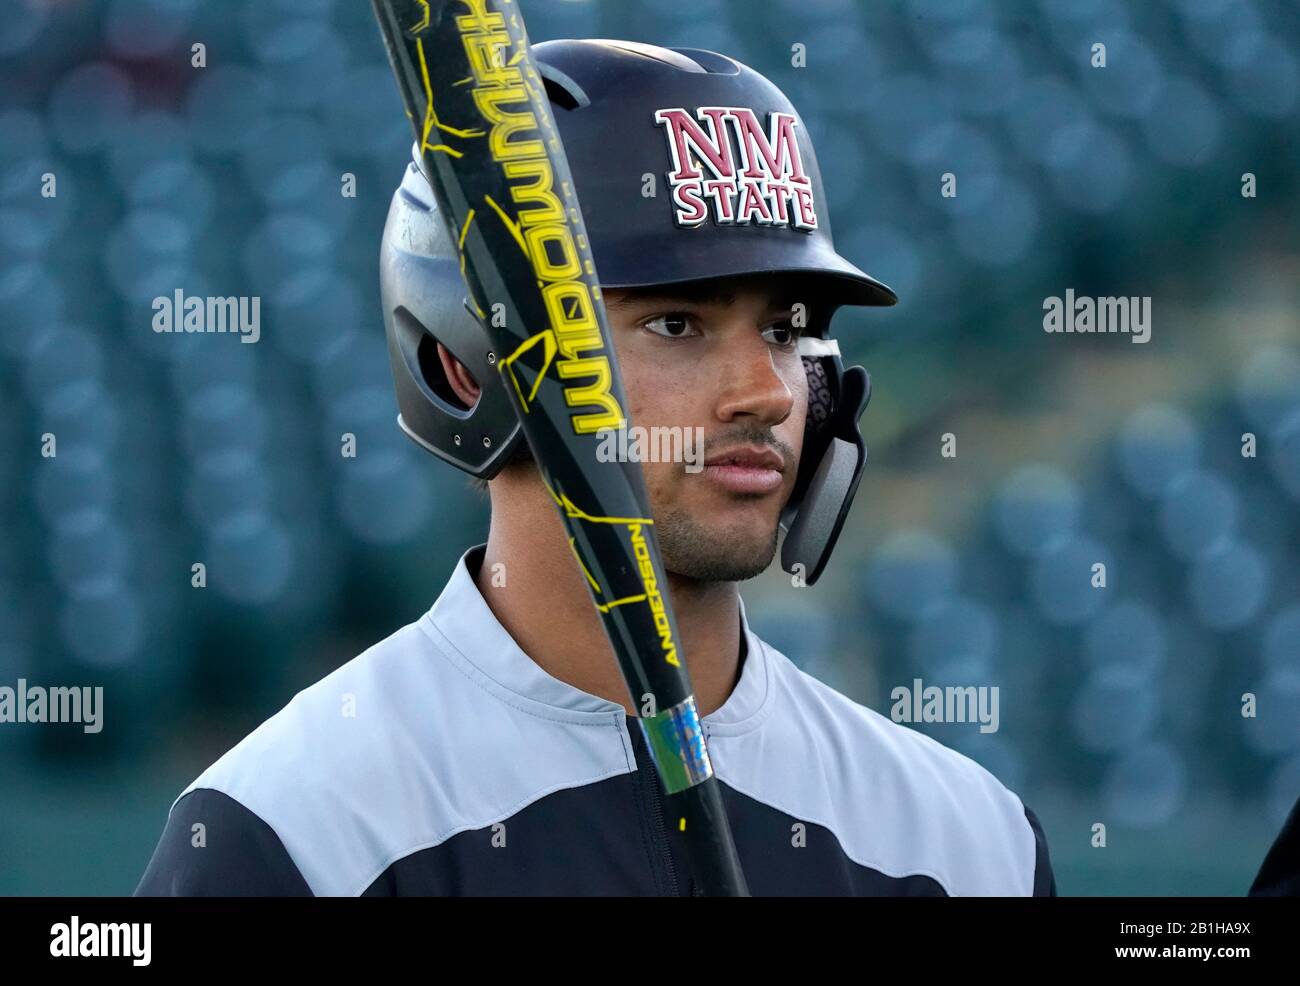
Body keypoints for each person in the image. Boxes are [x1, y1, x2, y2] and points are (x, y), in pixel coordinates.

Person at [136, 38, 1056, 896]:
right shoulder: (295, 834)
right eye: (677, 323)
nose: (765, 394)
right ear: (466, 359)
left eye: (785, 330)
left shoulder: (970, 844)